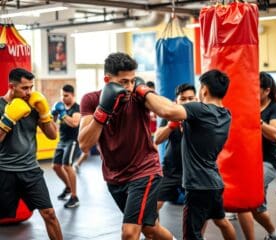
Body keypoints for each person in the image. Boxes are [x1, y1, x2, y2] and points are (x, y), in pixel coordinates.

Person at [78, 52, 175, 240]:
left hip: (144, 170)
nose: (129, 87)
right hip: (114, 177)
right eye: (123, 82)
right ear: (107, 80)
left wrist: (146, 91)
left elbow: (169, 111)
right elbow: (84, 144)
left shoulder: (138, 96)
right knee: (150, 228)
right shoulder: (91, 100)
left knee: (130, 233)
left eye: (132, 81)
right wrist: (103, 111)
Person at [133, 69, 236, 240]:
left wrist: (143, 89)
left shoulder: (197, 110)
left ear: (203, 90)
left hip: (197, 185)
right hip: (214, 182)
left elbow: (165, 111)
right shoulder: (226, 114)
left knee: (191, 235)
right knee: (222, 221)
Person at [0, 68, 63, 240]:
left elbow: (52, 135)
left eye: (31, 87)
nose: (29, 92)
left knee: (49, 213)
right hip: (4, 171)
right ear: (11, 86)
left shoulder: (34, 104)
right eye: (24, 88)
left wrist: (44, 113)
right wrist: (7, 120)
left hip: (31, 170)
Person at [237, 72, 276, 240]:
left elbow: (275, 134)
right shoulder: (249, 104)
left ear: (266, 90)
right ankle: (275, 235)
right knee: (256, 208)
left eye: (256, 89)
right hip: (247, 160)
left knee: (245, 201)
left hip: (267, 162)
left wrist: (258, 121)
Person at [154, 83, 197, 209]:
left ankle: (197, 230)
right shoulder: (170, 116)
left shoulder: (201, 117)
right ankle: (155, 229)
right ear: (176, 101)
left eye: (190, 98)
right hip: (171, 170)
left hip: (193, 172)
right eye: (183, 99)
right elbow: (157, 139)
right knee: (154, 205)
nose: (187, 102)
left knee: (199, 210)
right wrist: (170, 125)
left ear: (196, 99)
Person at [51, 84, 81, 208]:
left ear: (73, 95)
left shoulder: (77, 108)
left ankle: (74, 197)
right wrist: (53, 114)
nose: (63, 98)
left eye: (66, 95)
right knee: (56, 166)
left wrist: (62, 114)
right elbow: (53, 123)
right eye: (62, 95)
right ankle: (68, 187)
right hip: (62, 140)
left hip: (72, 141)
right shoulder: (61, 106)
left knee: (67, 166)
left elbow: (74, 123)